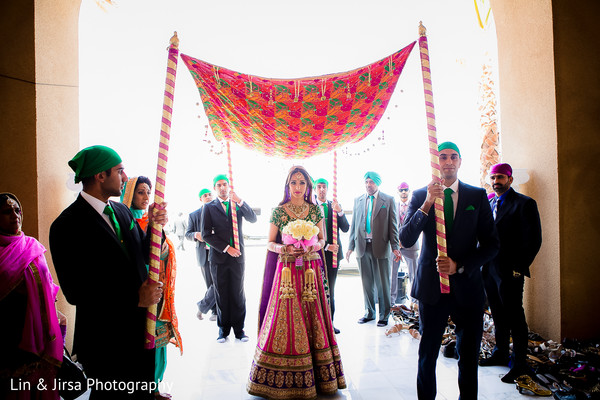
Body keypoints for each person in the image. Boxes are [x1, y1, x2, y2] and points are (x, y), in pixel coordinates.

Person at [49, 145, 167, 399]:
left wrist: (156, 227)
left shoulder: (122, 212)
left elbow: (143, 253)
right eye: (120, 171)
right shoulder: (67, 225)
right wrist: (135, 298)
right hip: (105, 339)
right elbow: (75, 290)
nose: (125, 177)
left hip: (139, 329)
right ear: (100, 175)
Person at [399, 141, 499, 400]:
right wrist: (428, 203)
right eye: (443, 157)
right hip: (432, 288)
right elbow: (406, 239)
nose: (448, 162)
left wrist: (460, 265)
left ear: (460, 161)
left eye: (453, 157)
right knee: (427, 354)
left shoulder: (476, 196)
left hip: (468, 288)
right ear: (436, 162)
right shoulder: (421, 195)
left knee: (467, 357)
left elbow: (491, 245)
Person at [248, 166, 346, 400]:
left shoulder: (316, 211)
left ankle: (320, 374)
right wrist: (285, 247)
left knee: (315, 317)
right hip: (287, 274)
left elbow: (322, 240)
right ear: (287, 185)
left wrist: (314, 246)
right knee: (286, 317)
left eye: (302, 183)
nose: (298, 187)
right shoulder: (278, 212)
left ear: (308, 186)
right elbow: (270, 243)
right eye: (294, 182)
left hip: (311, 272)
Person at [480, 163, 542, 383]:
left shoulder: (524, 204)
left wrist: (518, 267)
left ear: (510, 179)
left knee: (515, 315)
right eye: (493, 178)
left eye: (500, 177)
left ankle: (520, 363)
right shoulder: (488, 202)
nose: (496, 182)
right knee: (497, 313)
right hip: (489, 269)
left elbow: (534, 240)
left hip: (510, 270)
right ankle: (500, 352)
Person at [121, 176, 182, 400]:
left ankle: (154, 387)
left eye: (148, 192)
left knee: (158, 341)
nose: (146, 197)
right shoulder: (123, 221)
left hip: (156, 287)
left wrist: (162, 245)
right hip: (135, 290)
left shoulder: (153, 220)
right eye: (140, 192)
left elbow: (163, 253)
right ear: (128, 193)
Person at [0, 193, 63, 400]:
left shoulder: (31, 245)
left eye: (17, 210)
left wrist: (53, 310)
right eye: (7, 212)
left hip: (41, 328)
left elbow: (47, 282)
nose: (15, 215)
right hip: (11, 332)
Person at [201, 174, 257, 343]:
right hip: (218, 258)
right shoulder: (209, 207)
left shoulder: (236, 205)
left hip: (238, 258)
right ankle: (223, 330)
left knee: (238, 293)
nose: (223, 187)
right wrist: (227, 248)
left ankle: (239, 330)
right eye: (219, 185)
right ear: (215, 188)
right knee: (222, 294)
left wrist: (240, 200)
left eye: (225, 184)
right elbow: (206, 235)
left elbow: (253, 219)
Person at [346, 171, 401, 327]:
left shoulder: (388, 200)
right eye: (366, 182)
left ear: (377, 183)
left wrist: (395, 246)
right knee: (367, 282)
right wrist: (350, 247)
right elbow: (354, 225)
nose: (368, 185)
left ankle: (384, 315)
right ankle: (369, 313)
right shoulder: (358, 200)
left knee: (383, 283)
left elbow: (393, 226)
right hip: (362, 246)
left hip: (381, 246)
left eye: (371, 182)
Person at [314, 178, 349, 334]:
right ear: (315, 189)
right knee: (315, 290)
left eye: (324, 187)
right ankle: (317, 325)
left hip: (333, 256)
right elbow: (309, 233)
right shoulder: (311, 207)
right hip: (316, 254)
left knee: (330, 290)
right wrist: (326, 246)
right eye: (319, 187)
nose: (322, 189)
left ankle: (330, 324)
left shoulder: (333, 206)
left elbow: (346, 228)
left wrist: (340, 211)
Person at [185, 188, 217, 321]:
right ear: (200, 199)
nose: (208, 197)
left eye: (210, 194)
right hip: (203, 254)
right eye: (205, 195)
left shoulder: (219, 211)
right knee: (210, 283)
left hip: (218, 252)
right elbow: (187, 234)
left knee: (218, 282)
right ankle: (214, 311)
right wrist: (196, 235)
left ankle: (203, 307)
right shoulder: (193, 215)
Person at [391, 182, 419, 304]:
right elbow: (391, 226)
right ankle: (391, 301)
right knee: (392, 274)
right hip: (395, 246)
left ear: (409, 191)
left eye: (405, 190)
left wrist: (405, 240)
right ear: (398, 192)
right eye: (401, 190)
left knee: (414, 274)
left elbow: (417, 226)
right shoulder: (393, 206)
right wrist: (397, 242)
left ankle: (415, 301)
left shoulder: (415, 205)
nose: (403, 192)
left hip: (411, 245)